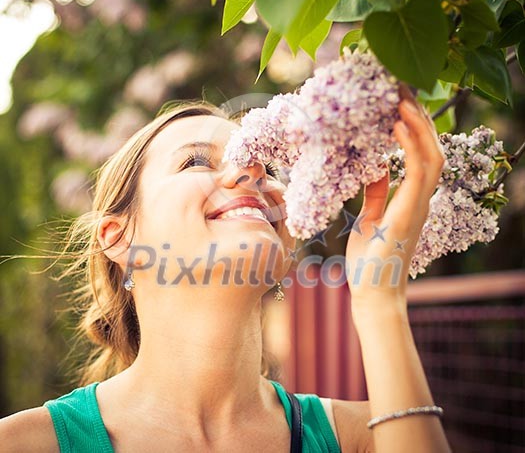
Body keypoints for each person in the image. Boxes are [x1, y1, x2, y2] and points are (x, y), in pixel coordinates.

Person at [0, 91, 451, 452]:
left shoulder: (368, 437)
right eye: (196, 161)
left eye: (265, 164)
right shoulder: (24, 445)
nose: (250, 171)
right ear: (119, 237)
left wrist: (378, 298)